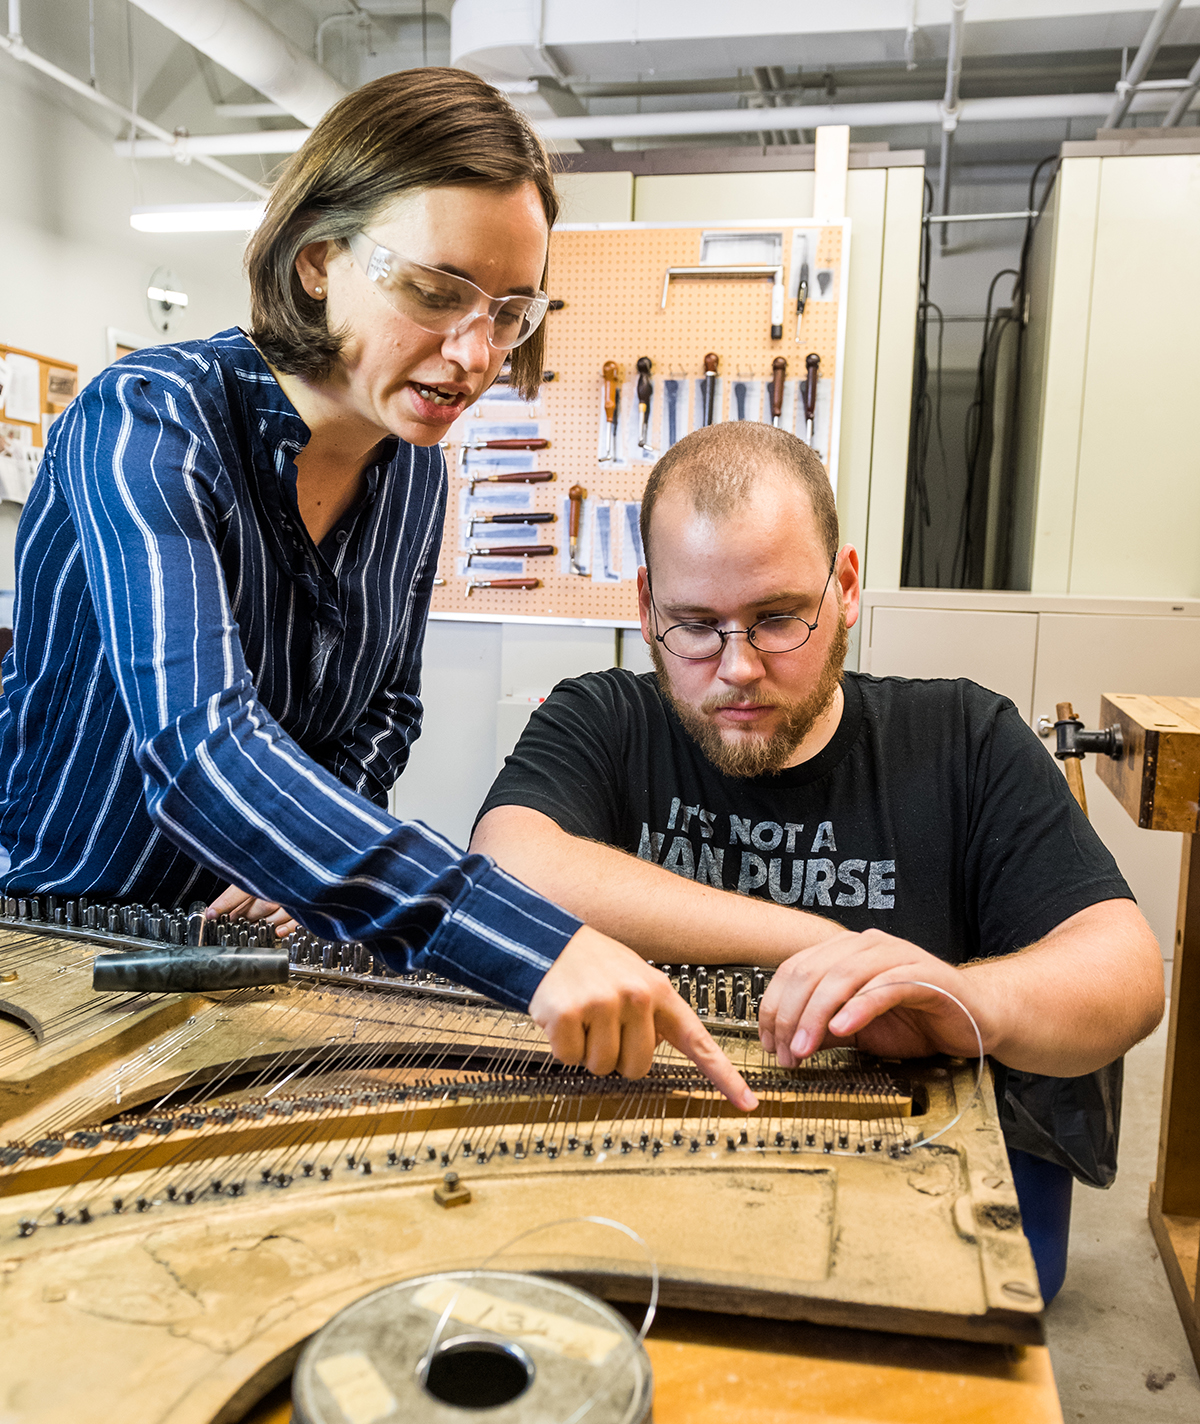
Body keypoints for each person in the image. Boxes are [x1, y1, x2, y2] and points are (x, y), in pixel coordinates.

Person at [0, 69, 754, 1114]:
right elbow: (201, 751)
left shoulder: (413, 473)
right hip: (46, 942)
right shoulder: (147, 422)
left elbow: (385, 711)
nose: (477, 354)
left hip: (245, 959)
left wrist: (287, 867)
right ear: (319, 262)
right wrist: (529, 942)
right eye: (438, 294)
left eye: (510, 312)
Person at [471, 420, 1165, 1301]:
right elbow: (506, 860)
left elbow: (1128, 973)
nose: (738, 669)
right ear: (645, 603)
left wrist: (958, 999)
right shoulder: (602, 720)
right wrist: (811, 938)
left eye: (778, 620)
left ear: (845, 586)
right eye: (694, 627)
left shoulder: (963, 738)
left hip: (897, 1195)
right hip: (641, 1179)